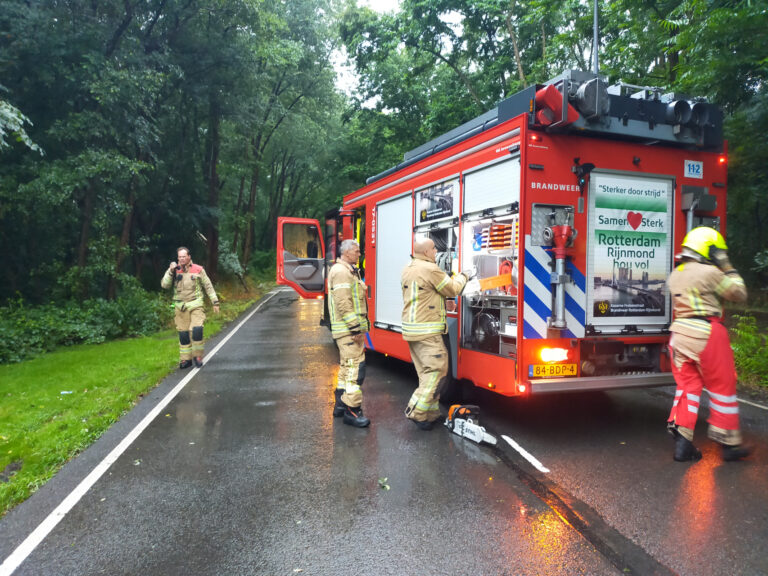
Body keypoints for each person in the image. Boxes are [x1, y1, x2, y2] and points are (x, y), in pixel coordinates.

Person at [666, 227, 751, 462]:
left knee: (687, 388)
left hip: (679, 335)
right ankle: (729, 445)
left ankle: (682, 443)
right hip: (707, 333)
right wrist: (727, 265)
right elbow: (739, 293)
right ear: (710, 250)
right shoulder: (711, 272)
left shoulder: (676, 273)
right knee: (722, 387)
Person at [401, 238, 472, 430]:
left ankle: (430, 413)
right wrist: (465, 275)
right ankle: (416, 411)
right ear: (425, 252)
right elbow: (453, 287)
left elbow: (425, 295)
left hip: (413, 329)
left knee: (426, 373)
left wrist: (443, 301)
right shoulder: (430, 269)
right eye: (433, 249)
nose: (436, 251)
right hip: (428, 331)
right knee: (437, 372)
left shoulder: (409, 267)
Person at [328, 239, 370, 427]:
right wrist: (355, 328)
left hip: (345, 330)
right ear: (345, 253)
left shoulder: (346, 271)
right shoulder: (341, 272)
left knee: (347, 368)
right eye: (356, 251)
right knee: (355, 369)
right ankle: (352, 411)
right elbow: (344, 303)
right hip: (348, 331)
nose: (359, 254)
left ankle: (340, 405)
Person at [161, 246, 220, 369]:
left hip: (196, 304)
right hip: (180, 306)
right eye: (180, 257)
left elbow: (208, 286)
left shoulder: (198, 270)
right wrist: (170, 271)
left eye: (184, 256)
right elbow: (165, 285)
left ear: (189, 257)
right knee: (183, 334)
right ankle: (185, 360)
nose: (182, 259)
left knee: (197, 330)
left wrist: (215, 302)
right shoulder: (174, 270)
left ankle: (197, 356)